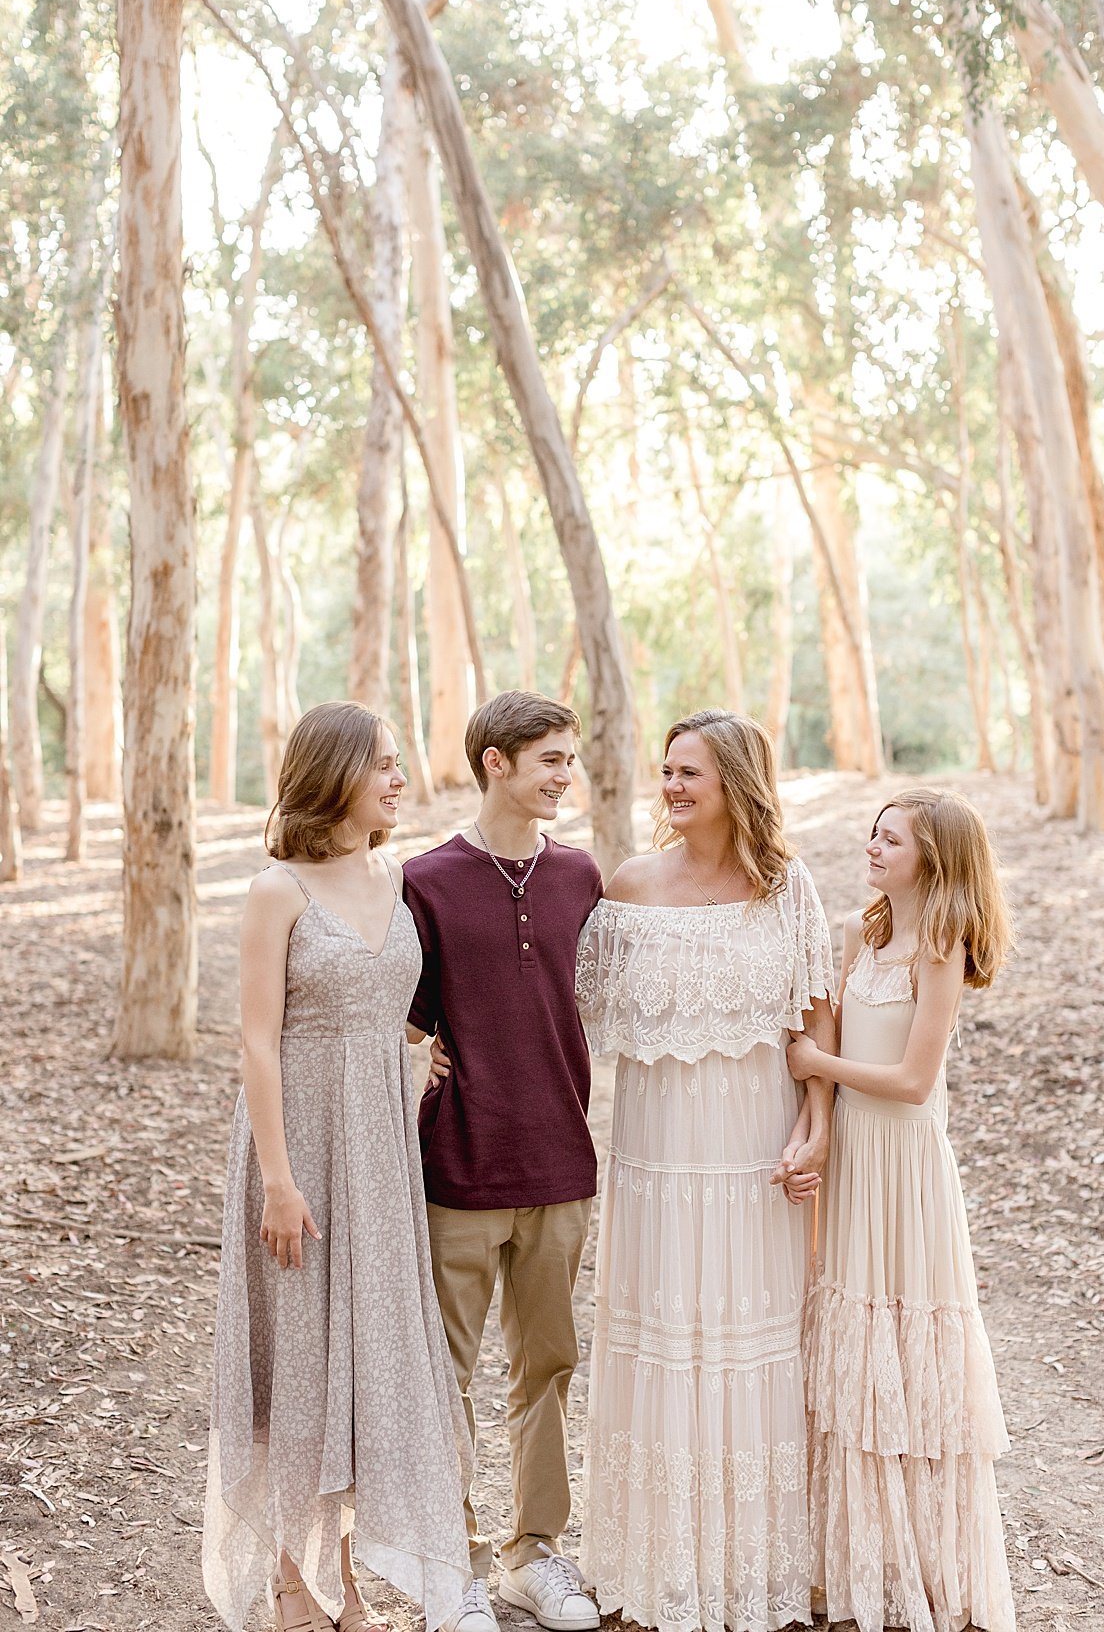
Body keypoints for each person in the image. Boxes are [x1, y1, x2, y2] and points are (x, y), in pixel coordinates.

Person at [203, 702, 471, 1632]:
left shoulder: (395, 880)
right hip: (300, 1144)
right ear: (335, 776)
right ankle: (286, 1576)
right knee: (300, 1353)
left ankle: (347, 1575)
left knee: (369, 1363)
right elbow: (257, 1041)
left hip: (381, 1151)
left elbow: (383, 999)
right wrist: (278, 1180)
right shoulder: (278, 891)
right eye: (384, 766)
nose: (401, 779)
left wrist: (427, 1044)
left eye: (400, 764)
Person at [574, 707, 838, 1632]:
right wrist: (444, 1046)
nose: (672, 785)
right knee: (661, 1340)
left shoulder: (788, 889)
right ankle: (653, 1577)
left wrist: (817, 1128)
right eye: (667, 770)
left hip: (754, 1162)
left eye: (691, 772)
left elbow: (816, 1021)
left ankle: (753, 1573)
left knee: (752, 1348)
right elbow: (550, 1006)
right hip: (656, 1163)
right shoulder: (629, 888)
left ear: (737, 783)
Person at [787, 788, 1015, 1632]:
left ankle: (921, 1573)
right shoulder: (860, 934)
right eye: (873, 832)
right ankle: (851, 1574)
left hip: (905, 1171)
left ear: (933, 857)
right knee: (850, 1353)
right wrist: (814, 1114)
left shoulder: (939, 948)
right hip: (852, 1163)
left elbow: (914, 1083)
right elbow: (823, 1051)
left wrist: (820, 1061)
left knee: (909, 1358)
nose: (873, 847)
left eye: (892, 839)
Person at [404, 692, 603, 1632]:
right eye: (551, 761)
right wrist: (423, 1050)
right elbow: (396, 1015)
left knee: (547, 1367)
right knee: (443, 1369)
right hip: (460, 1164)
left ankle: (534, 1556)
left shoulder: (582, 878)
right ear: (495, 762)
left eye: (570, 760)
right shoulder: (427, 881)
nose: (566, 776)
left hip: (562, 1159)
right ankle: (454, 1563)